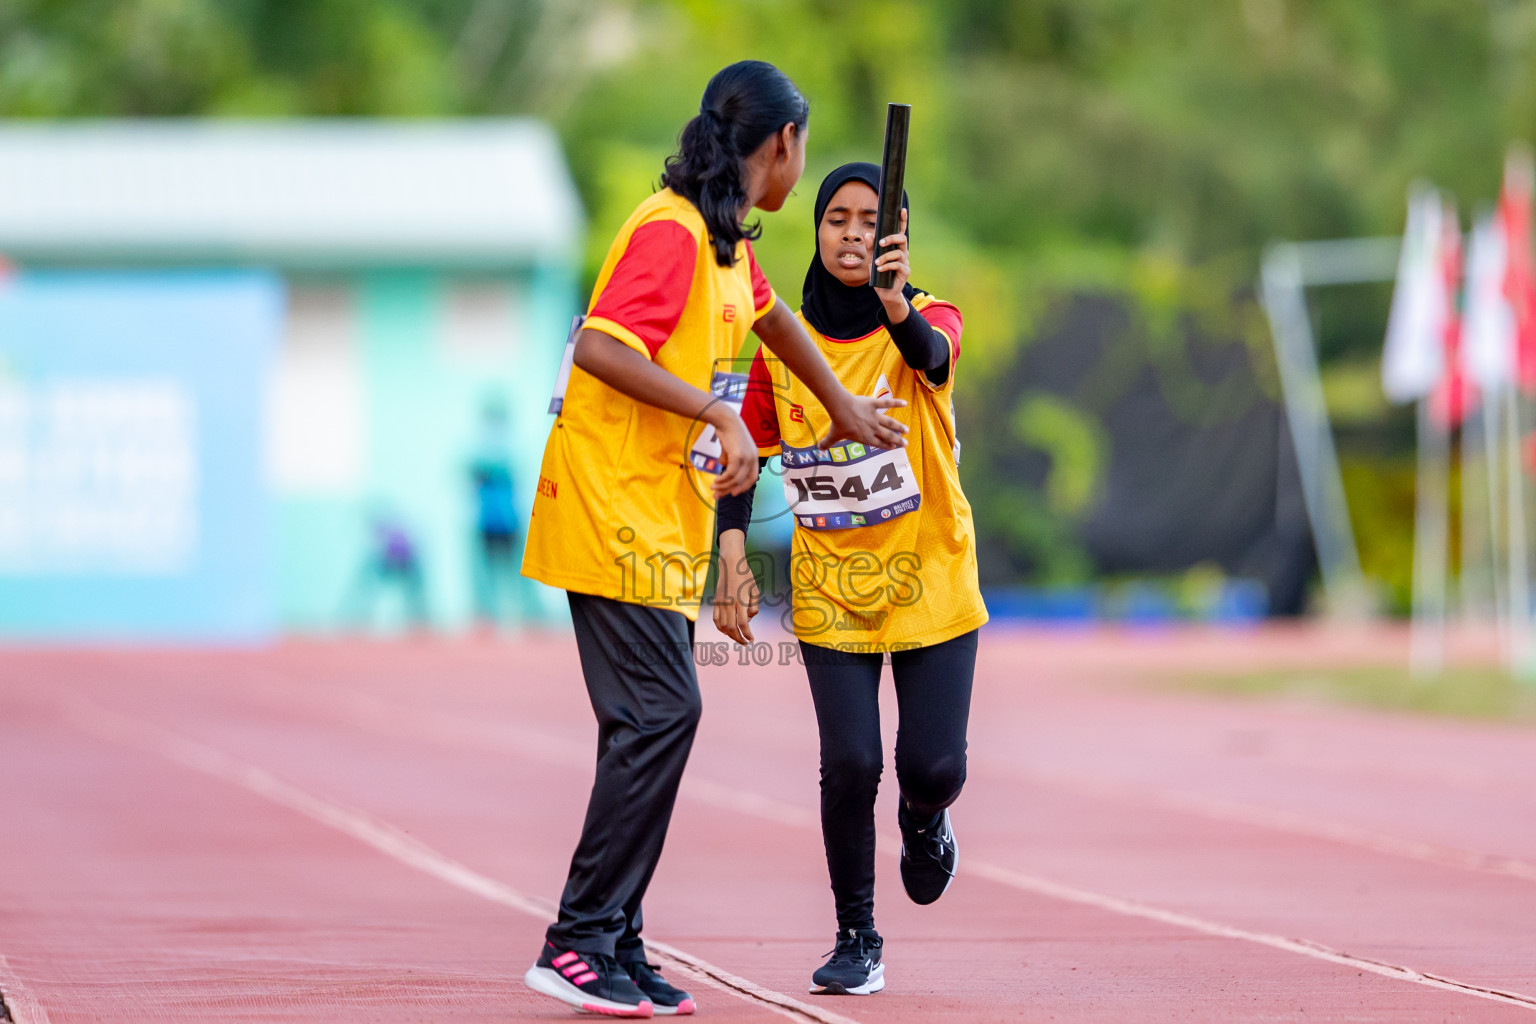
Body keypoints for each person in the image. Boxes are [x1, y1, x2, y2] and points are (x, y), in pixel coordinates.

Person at [519, 64, 908, 1019]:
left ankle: (617, 939)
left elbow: (773, 322)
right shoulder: (671, 232)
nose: (801, 164)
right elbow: (600, 347)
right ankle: (575, 940)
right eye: (802, 148)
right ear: (781, 146)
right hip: (606, 510)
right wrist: (717, 416)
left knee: (650, 721)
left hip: (653, 519)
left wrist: (844, 404)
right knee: (661, 715)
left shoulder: (727, 242)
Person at [715, 163, 988, 997]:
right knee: (851, 763)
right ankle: (856, 935)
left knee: (931, 766)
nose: (852, 234)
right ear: (817, 227)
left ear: (897, 235)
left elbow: (931, 355)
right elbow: (744, 457)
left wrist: (897, 302)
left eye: (872, 221)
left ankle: (925, 819)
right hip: (831, 588)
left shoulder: (928, 318)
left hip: (931, 577)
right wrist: (731, 551)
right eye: (837, 217)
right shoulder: (784, 345)